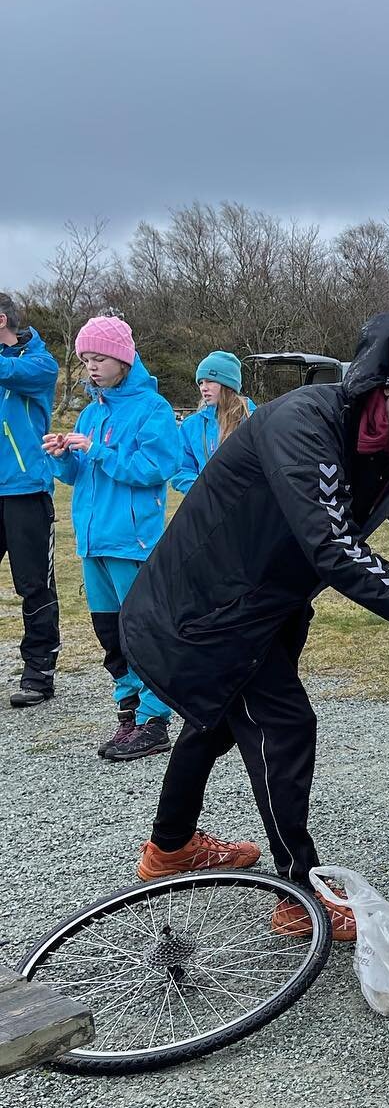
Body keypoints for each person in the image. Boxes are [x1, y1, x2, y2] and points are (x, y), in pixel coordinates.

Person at [119, 313, 389, 940]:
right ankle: (299, 894)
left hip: (264, 607)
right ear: (388, 383)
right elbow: (333, 549)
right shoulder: (306, 421)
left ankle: (170, 848)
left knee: (215, 723)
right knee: (285, 729)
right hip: (205, 605)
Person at [43, 315, 180, 760]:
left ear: (123, 358)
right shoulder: (90, 410)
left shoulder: (153, 409)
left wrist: (98, 451)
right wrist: (63, 457)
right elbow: (78, 477)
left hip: (132, 542)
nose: (91, 368)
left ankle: (156, 720)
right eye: (84, 360)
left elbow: (154, 470)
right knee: (109, 632)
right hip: (92, 542)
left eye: (99, 358)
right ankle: (128, 711)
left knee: (142, 631)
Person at [0, 292, 62, 708]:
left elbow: (13, 372)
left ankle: (39, 671)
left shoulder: (39, 362)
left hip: (24, 490)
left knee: (34, 585)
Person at [172, 350, 254, 493]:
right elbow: (181, 469)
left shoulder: (252, 420)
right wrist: (201, 491)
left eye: (210, 381)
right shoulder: (190, 426)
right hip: (207, 508)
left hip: (248, 506)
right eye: (201, 382)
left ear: (227, 384)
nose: (204, 387)